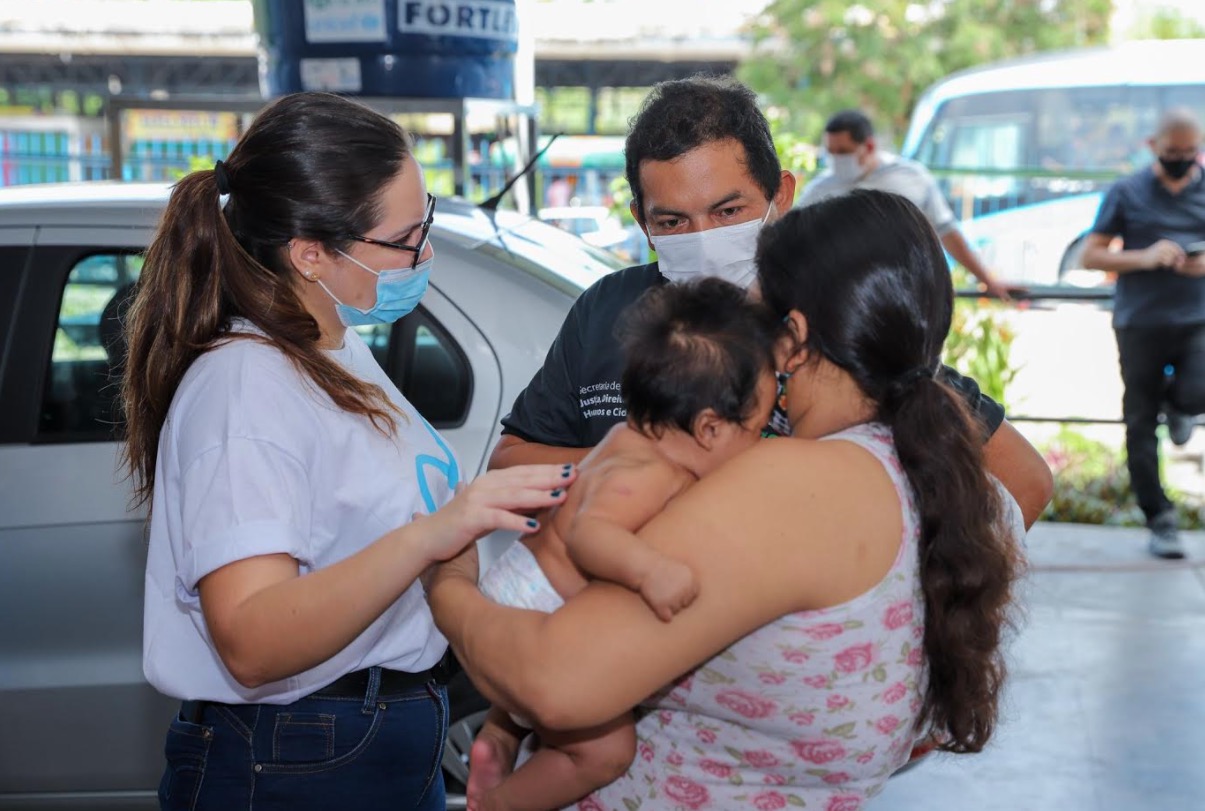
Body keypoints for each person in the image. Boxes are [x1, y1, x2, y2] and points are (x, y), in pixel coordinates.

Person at [429, 188, 1027, 809]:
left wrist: (447, 583)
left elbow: (553, 684)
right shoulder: (954, 482)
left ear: (793, 336)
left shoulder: (794, 483)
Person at [121, 91, 576, 811]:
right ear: (310, 254)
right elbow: (252, 637)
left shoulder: (330, 340)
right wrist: (435, 533)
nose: (425, 254)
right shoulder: (245, 385)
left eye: (426, 224)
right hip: (296, 757)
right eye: (404, 239)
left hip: (368, 738)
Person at [489, 76, 1054, 531]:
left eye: (728, 212)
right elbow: (512, 459)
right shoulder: (607, 311)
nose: (703, 237)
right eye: (673, 221)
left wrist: (902, 611)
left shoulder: (834, 309)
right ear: (641, 221)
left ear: (780, 195)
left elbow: (1025, 482)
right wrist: (644, 465)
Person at [470, 278, 780, 811]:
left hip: (526, 594)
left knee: (543, 713)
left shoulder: (625, 438)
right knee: (607, 752)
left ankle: (499, 736)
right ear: (708, 428)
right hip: (533, 608)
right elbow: (592, 535)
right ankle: (501, 804)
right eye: (755, 430)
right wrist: (648, 571)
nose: (758, 443)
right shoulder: (647, 473)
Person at [1081, 107, 1205, 560]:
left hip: (1197, 318)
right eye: (1173, 152)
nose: (1182, 159)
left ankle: (1181, 406)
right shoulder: (1127, 190)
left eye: (1190, 152)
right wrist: (1145, 257)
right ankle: (1160, 519)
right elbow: (1090, 256)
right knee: (1139, 420)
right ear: (1154, 147)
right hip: (1140, 322)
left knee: (1196, 393)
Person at [797, 109, 1016, 301]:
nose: (836, 159)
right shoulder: (819, 190)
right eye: (831, 152)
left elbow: (946, 231)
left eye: (843, 152)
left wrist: (987, 280)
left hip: (906, 294)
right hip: (844, 299)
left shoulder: (911, 178)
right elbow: (791, 237)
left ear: (869, 146)